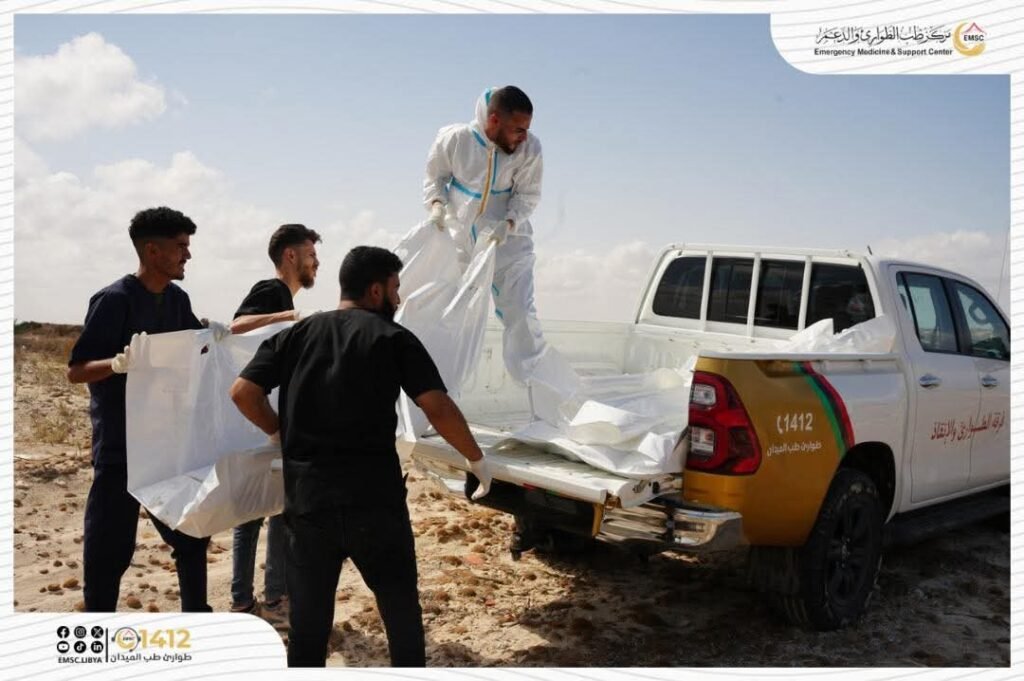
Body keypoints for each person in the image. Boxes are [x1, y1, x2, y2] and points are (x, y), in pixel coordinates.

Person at [229, 246, 493, 667]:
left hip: (309, 504)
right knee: (401, 617)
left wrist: (279, 432)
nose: (398, 299)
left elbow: (243, 393)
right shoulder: (393, 337)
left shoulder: (296, 335)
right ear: (375, 290)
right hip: (375, 505)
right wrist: (476, 460)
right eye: (395, 288)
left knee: (308, 629)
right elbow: (437, 406)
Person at [67, 206, 215, 613]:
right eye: (181, 247)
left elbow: (194, 349)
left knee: (190, 536)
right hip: (121, 451)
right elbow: (76, 370)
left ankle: (198, 621)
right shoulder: (114, 300)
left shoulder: (178, 299)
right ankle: (99, 627)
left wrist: (214, 340)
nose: (188, 255)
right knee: (108, 553)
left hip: (166, 448)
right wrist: (119, 364)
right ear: (152, 251)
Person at [423, 85, 551, 384]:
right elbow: (435, 177)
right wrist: (437, 205)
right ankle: (439, 392)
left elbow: (528, 195)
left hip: (509, 242)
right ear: (494, 120)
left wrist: (508, 223)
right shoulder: (456, 139)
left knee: (521, 315)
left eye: (527, 129)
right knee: (450, 315)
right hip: (459, 242)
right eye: (518, 129)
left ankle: (538, 390)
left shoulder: (530, 148)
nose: (524, 137)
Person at [228, 224, 322, 622]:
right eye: (311, 255)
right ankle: (264, 600)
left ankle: (255, 600)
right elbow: (236, 327)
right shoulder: (271, 290)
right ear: (290, 256)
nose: (316, 263)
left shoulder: (282, 296)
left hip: (261, 420)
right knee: (265, 515)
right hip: (260, 421)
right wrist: (289, 316)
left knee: (265, 512)